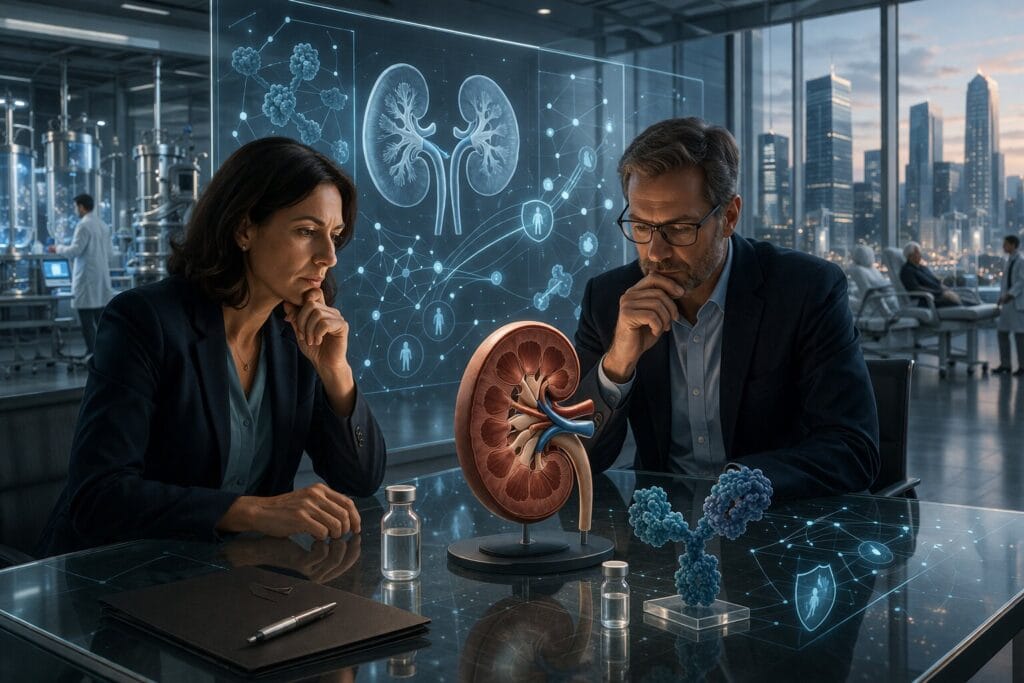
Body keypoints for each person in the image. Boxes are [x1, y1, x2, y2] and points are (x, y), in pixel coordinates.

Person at [37, 137, 386, 556]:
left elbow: (362, 480)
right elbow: (98, 496)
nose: (329, 256)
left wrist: (336, 373)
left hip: (229, 576)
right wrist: (250, 512)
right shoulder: (144, 321)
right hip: (114, 575)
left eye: (335, 235)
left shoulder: (294, 338)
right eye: (307, 231)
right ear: (244, 229)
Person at [571, 117, 879, 500]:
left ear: (729, 217)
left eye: (680, 228)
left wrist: (740, 484)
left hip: (775, 522)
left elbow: (853, 449)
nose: (656, 252)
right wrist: (617, 365)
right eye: (641, 226)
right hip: (661, 526)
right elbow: (573, 457)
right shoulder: (607, 300)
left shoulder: (806, 290)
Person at [49, 194, 114, 356]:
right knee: (101, 320)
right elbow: (110, 253)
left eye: (75, 207)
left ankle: (92, 353)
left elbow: (75, 250)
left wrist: (58, 248)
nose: (75, 210)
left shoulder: (84, 225)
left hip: (87, 279)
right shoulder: (103, 225)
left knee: (86, 321)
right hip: (101, 278)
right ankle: (106, 353)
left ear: (81, 207)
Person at [994, 234, 1024, 375]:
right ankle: (1005, 365)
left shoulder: (1021, 261)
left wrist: (1010, 294)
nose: (1003, 247)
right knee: (1002, 332)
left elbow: (1021, 282)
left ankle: (1022, 367)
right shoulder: (1009, 261)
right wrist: (1002, 297)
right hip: (1007, 303)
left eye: (1005, 244)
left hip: (1017, 303)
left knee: (1020, 336)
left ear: (1013, 245)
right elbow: (1006, 283)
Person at [899, 242, 961, 307]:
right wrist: (940, 293)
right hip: (927, 299)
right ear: (910, 255)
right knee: (957, 304)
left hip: (937, 295)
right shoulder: (907, 271)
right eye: (917, 252)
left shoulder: (923, 268)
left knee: (964, 301)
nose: (920, 254)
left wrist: (946, 290)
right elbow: (916, 289)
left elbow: (935, 281)